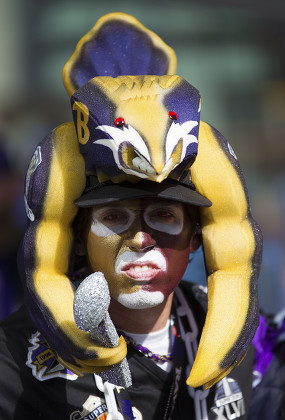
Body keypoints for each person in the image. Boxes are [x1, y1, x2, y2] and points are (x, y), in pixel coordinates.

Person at [0, 13, 263, 419]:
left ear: (198, 236)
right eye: (114, 217)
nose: (141, 239)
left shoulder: (261, 344)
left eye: (163, 214)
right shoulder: (11, 362)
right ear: (79, 239)